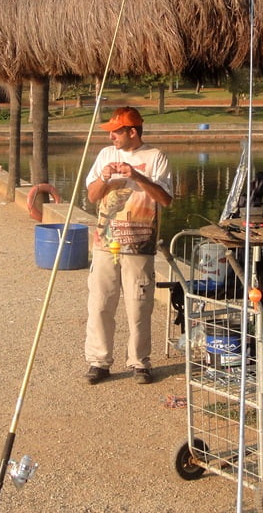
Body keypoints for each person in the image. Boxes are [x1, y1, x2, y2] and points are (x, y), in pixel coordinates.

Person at [84, 107, 173, 386]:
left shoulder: (156, 157)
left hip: (140, 245)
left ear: (132, 132)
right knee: (100, 304)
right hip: (105, 243)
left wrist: (137, 176)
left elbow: (166, 199)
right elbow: (92, 196)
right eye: (110, 132)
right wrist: (104, 178)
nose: (111, 136)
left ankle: (139, 362)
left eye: (116, 131)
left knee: (139, 308)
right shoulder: (105, 155)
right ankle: (99, 361)